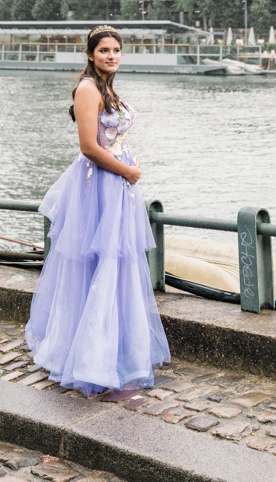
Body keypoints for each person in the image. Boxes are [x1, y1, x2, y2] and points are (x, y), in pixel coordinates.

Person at [25, 25, 170, 395]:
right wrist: (129, 171)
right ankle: (90, 356)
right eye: (104, 50)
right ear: (90, 54)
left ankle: (116, 349)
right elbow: (89, 146)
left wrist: (128, 160)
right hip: (99, 186)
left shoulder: (108, 88)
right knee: (100, 264)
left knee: (117, 265)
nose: (111, 56)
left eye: (116, 50)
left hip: (116, 185)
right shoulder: (88, 89)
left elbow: (112, 137)